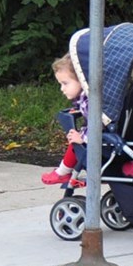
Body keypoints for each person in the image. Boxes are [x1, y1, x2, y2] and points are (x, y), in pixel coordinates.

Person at [38, 55, 104, 186]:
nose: (62, 89)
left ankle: (62, 172)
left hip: (100, 143)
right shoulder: (91, 99)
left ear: (82, 80)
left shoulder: (90, 102)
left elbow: (99, 125)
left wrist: (83, 138)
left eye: (65, 83)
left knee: (75, 140)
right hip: (106, 140)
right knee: (75, 137)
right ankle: (62, 171)